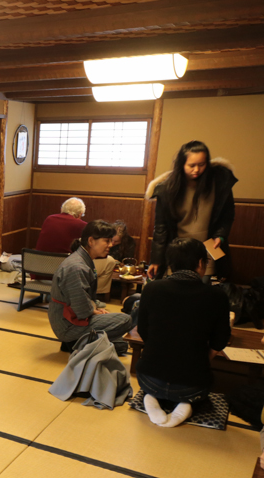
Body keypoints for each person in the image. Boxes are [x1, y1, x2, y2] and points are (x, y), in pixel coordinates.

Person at [136, 238, 231, 427]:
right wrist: (203, 361)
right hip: (192, 386)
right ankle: (186, 403)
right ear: (200, 263)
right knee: (198, 383)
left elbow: (142, 330)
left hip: (149, 378)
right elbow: (220, 340)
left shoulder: (152, 288)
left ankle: (150, 397)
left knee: (153, 384)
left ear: (171, 264)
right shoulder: (217, 295)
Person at [146, 140, 237, 281]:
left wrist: (220, 236)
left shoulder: (220, 182)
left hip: (209, 246)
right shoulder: (167, 189)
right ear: (181, 164)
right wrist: (156, 260)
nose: (196, 170)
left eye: (201, 165)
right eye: (191, 165)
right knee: (176, 291)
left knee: (201, 292)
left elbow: (227, 215)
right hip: (178, 248)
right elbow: (161, 228)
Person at [48, 220, 133, 355]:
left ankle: (78, 343)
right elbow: (82, 310)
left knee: (121, 345)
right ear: (91, 241)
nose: (110, 245)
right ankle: (75, 342)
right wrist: (93, 311)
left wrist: (96, 309)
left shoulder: (83, 259)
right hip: (68, 325)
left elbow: (85, 298)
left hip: (71, 318)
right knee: (126, 320)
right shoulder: (76, 267)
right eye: (107, 241)